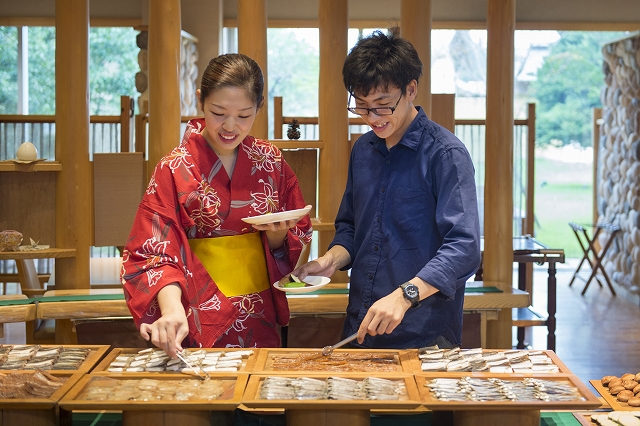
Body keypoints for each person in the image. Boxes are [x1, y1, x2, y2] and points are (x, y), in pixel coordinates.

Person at [293, 28, 481, 349]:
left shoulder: (445, 154)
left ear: (411, 90)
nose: (372, 118)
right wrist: (331, 260)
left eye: (382, 105)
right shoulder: (363, 150)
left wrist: (405, 295)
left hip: (424, 332)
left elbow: (463, 248)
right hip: (361, 325)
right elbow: (353, 227)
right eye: (362, 106)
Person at [121, 53, 312, 357]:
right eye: (219, 112)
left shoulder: (270, 160)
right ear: (200, 101)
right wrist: (171, 311)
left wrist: (277, 236)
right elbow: (153, 252)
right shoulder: (174, 167)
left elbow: (293, 237)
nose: (230, 126)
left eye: (244, 115)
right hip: (195, 311)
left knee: (256, 396)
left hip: (257, 308)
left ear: (259, 107)